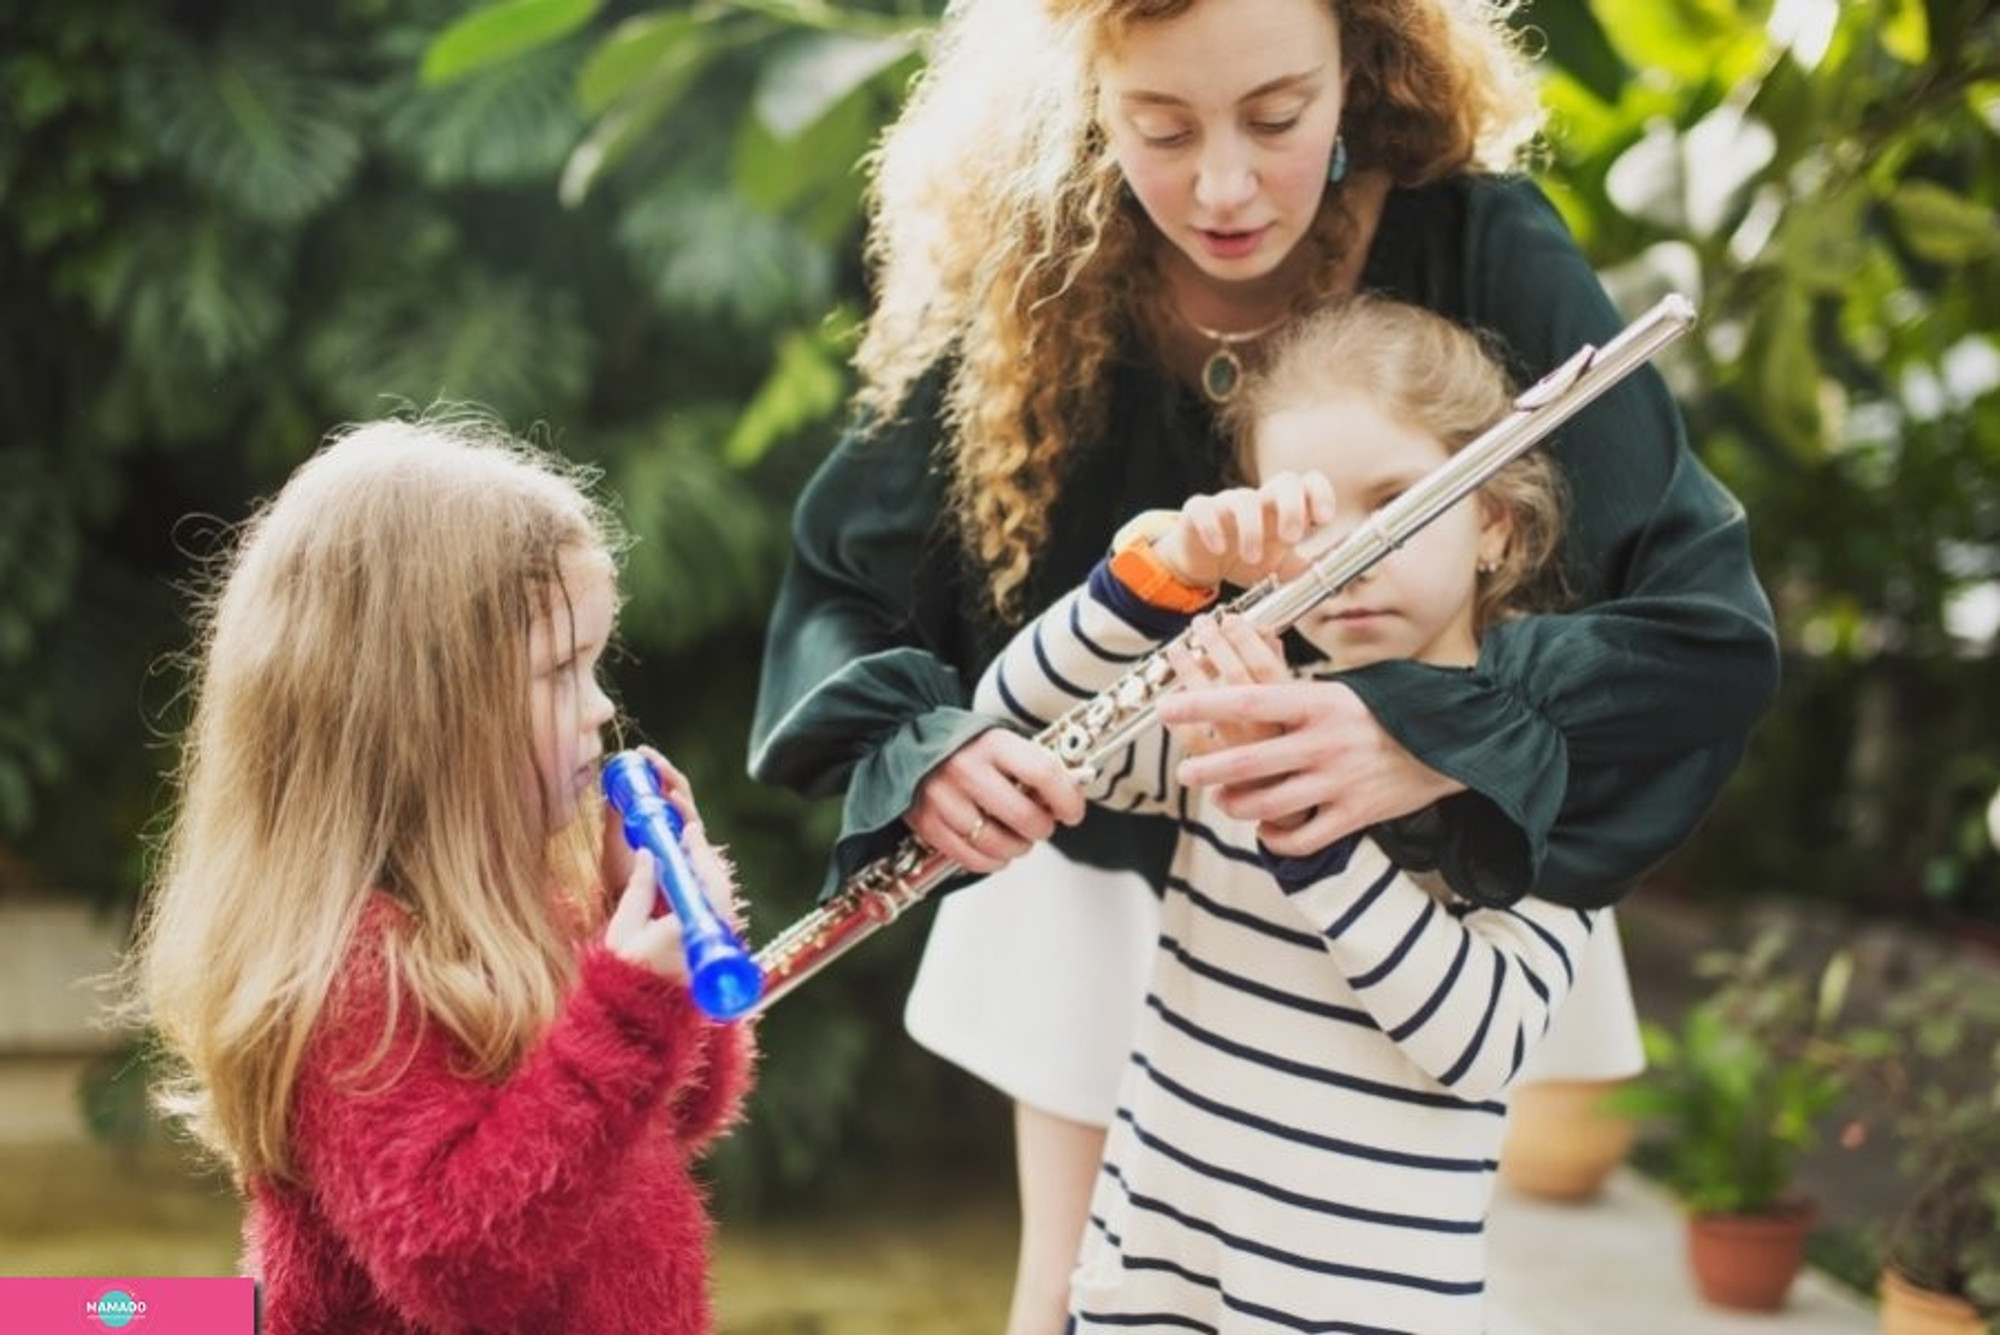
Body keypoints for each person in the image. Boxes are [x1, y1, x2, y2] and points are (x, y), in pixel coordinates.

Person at [749, 0, 1777, 1329]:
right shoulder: (1046, 263)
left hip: (1421, 876)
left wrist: (1430, 726)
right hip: (1130, 801)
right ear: (1088, 97)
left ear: (1360, 59)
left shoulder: (1479, 244)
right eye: (1160, 128)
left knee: (1348, 1270)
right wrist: (927, 751)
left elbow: (1705, 630)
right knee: (1072, 1292)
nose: (1224, 188)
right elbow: (847, 587)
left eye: (1279, 117)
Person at [977, 291, 1592, 1329]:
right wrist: (1158, 582)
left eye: (1396, 500)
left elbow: (1479, 1042)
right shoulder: (1242, 692)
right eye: (1306, 515)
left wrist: (1305, 828)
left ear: (1493, 519)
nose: (1349, 555)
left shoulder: (1550, 756)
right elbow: (1009, 732)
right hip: (1153, 1288)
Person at [126, 417, 756, 1335]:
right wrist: (625, 1008)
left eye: (595, 663)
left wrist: (660, 943)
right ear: (422, 719)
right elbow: (459, 1262)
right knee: (97, 1318)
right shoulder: (352, 976)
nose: (603, 706)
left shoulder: (523, 901)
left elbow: (674, 1115)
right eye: (561, 671)